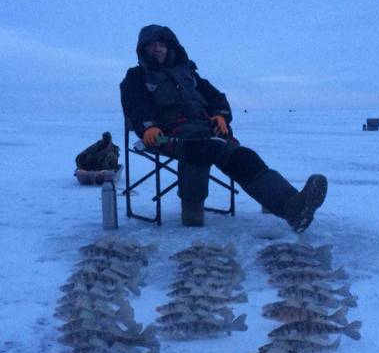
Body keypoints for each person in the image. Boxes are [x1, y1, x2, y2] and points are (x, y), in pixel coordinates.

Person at [120, 24, 327, 231]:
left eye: (161, 45)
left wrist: (221, 115)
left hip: (210, 133)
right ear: (143, 50)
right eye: (152, 45)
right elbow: (135, 104)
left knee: (242, 156)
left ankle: (292, 207)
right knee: (200, 144)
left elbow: (216, 97)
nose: (157, 49)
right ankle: (192, 211)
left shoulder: (189, 74)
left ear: (169, 47)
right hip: (166, 135)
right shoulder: (137, 76)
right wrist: (149, 126)